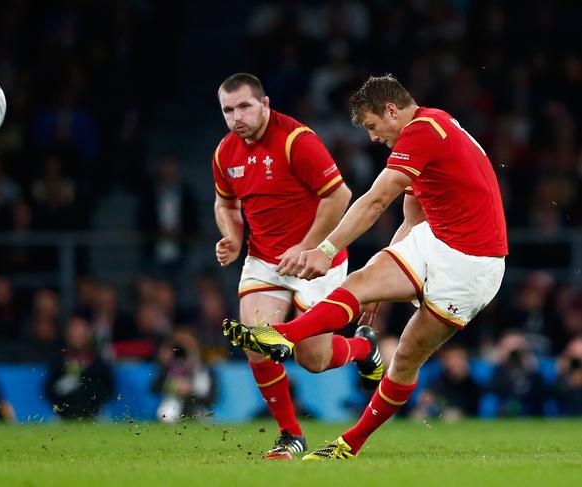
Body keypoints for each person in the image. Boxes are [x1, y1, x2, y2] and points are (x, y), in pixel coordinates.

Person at [224, 74, 507, 459]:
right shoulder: (432, 127)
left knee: (406, 356)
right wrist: (385, 273)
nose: (373, 137)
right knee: (360, 282)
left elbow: (376, 200)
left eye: (373, 126)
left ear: (392, 110)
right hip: (436, 238)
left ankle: (349, 443)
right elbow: (411, 218)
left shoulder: (423, 131)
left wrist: (326, 249)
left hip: (473, 263)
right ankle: (285, 336)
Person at [213, 73, 382, 459]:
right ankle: (290, 435)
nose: (236, 116)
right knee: (256, 342)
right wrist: (234, 236)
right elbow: (225, 204)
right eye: (228, 109)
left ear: (265, 104)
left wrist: (308, 247)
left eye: (244, 106)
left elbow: (339, 195)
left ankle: (362, 348)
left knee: (313, 360)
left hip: (317, 259)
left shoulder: (296, 141)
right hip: (264, 260)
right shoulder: (225, 153)